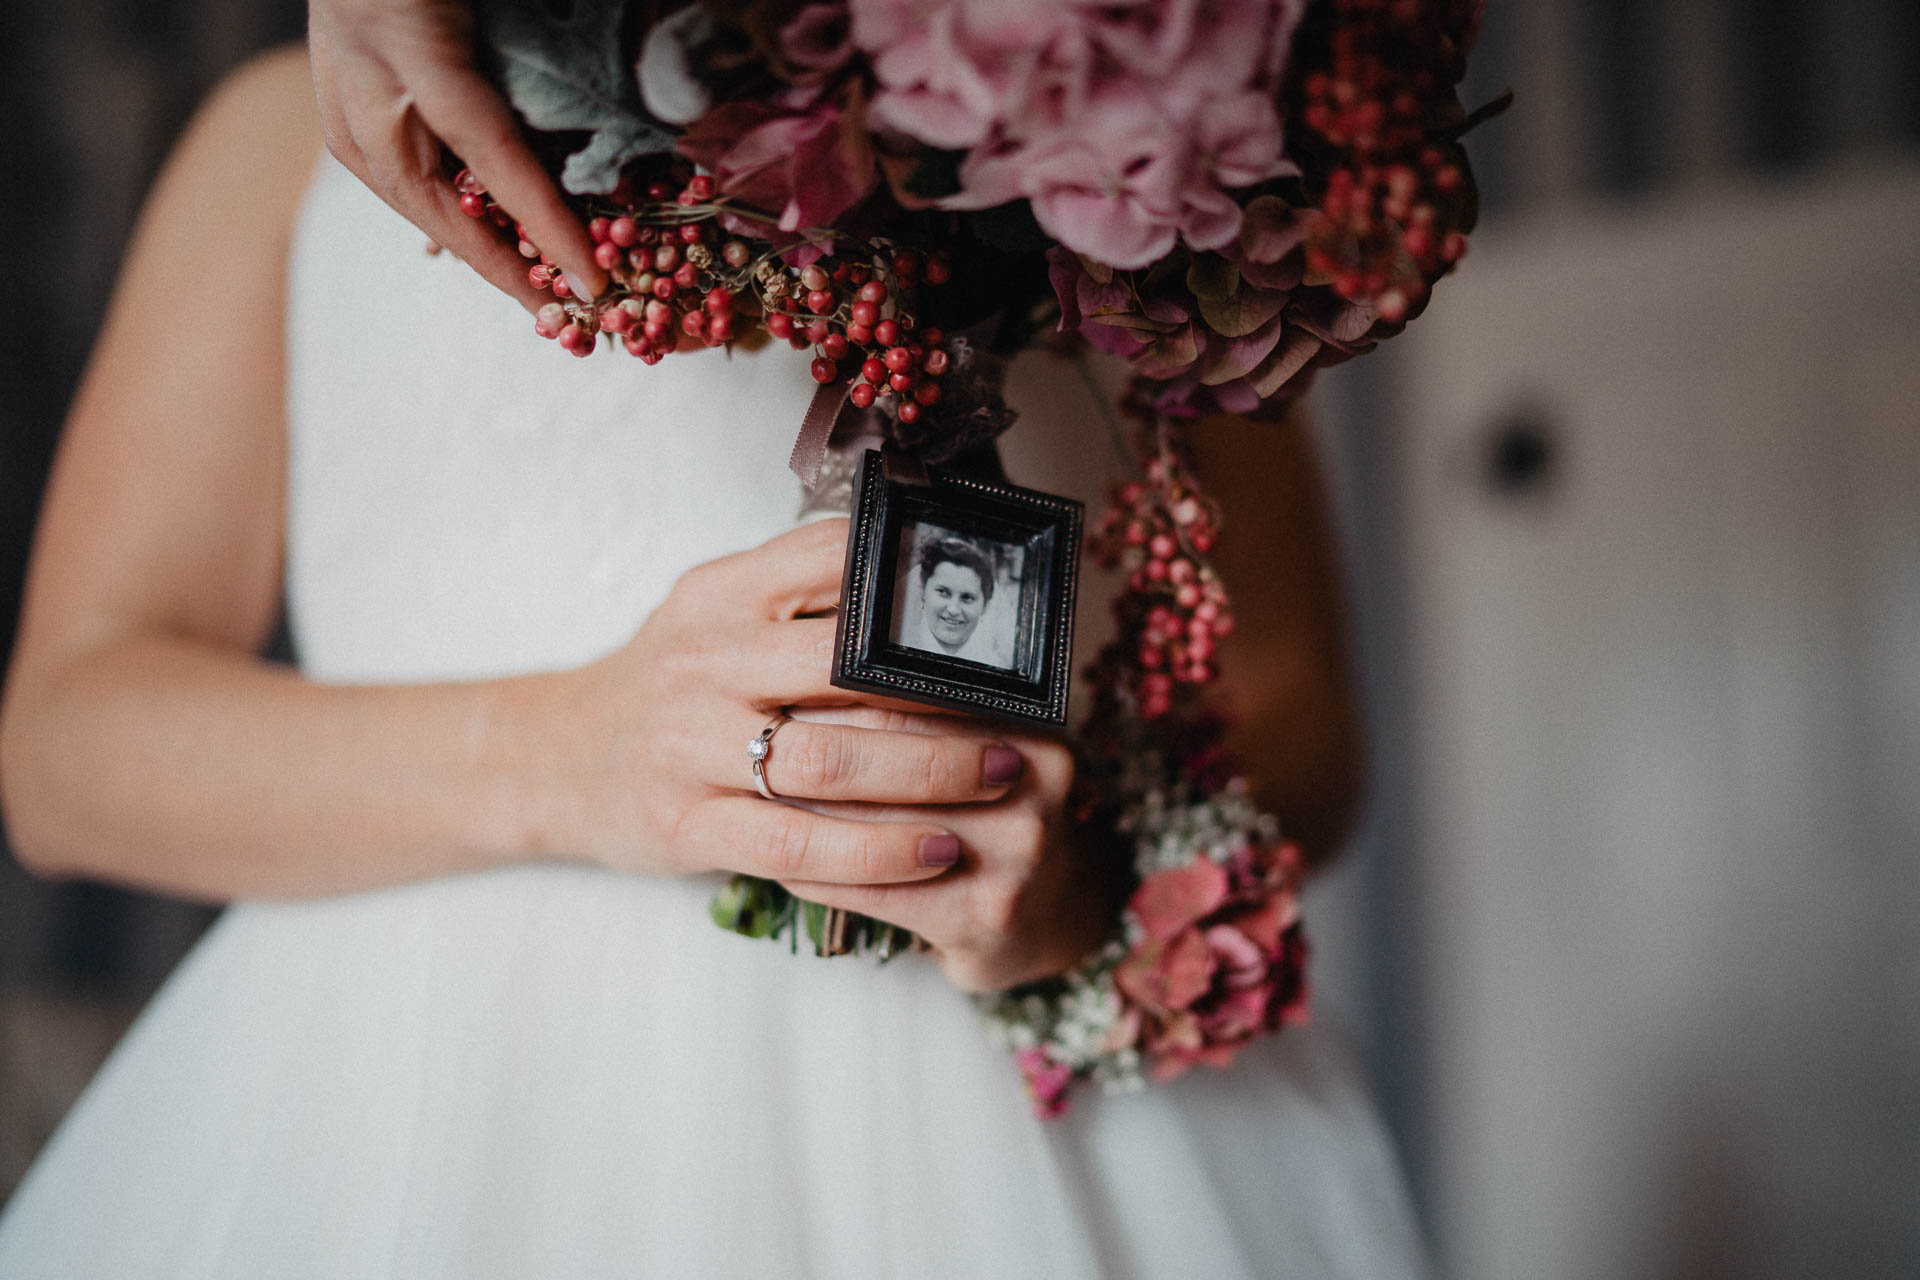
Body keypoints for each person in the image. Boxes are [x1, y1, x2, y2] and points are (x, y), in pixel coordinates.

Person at [0, 28, 1428, 1280]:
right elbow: (65, 746)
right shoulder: (276, 141)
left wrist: (1083, 880)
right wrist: (576, 755)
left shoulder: (1111, 127)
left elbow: (1298, 713)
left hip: (1030, 1100)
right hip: (406, 1117)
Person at [899, 536, 1011, 668]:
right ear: (924, 591)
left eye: (967, 597)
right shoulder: (901, 647)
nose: (953, 609)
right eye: (943, 592)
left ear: (985, 606)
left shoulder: (994, 665)